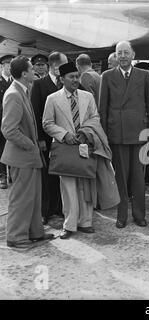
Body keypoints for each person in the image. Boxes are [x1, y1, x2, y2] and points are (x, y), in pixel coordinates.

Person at [43, 62, 117, 239]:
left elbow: (95, 117)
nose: (75, 80)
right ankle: (69, 225)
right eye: (71, 77)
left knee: (85, 186)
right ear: (62, 79)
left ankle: (86, 222)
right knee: (68, 187)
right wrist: (64, 134)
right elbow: (47, 123)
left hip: (85, 146)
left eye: (77, 76)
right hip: (64, 148)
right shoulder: (52, 99)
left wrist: (85, 132)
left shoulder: (87, 97)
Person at [99, 41, 149, 229]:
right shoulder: (107, 76)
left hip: (139, 133)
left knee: (139, 178)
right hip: (118, 134)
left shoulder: (144, 75)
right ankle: (122, 215)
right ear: (115, 56)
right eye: (119, 53)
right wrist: (105, 136)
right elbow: (103, 109)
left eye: (126, 52)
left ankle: (139, 214)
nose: (122, 56)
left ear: (133, 54)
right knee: (120, 178)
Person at [1, 56, 53, 249]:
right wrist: (30, 145)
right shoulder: (14, 94)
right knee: (21, 198)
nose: (35, 71)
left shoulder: (23, 90)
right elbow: (8, 129)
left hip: (28, 157)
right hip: (22, 157)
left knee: (32, 196)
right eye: (32, 69)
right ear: (24, 73)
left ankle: (34, 232)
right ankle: (15, 236)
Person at [30, 51, 68, 225]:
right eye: (64, 64)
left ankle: (61, 208)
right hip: (47, 139)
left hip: (65, 138)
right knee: (47, 176)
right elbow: (35, 113)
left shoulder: (68, 82)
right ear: (54, 66)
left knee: (64, 173)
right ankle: (47, 210)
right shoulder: (39, 85)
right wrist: (40, 139)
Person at [0, 54, 14, 189]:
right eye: (7, 64)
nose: (9, 66)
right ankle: (3, 175)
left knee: (12, 146)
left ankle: (12, 174)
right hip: (1, 120)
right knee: (1, 148)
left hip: (12, 121)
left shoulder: (15, 81)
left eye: (11, 64)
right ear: (2, 65)